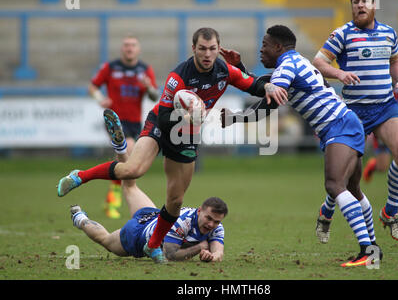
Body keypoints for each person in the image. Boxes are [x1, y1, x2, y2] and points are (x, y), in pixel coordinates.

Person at [57, 27, 288, 263]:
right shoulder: (178, 76)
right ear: (193, 49)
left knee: (175, 200)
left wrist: (267, 86)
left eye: (212, 49)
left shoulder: (225, 71)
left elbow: (254, 86)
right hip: (162, 124)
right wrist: (188, 117)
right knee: (133, 170)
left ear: (219, 49)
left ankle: (153, 245)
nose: (207, 54)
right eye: (202, 49)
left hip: (188, 136)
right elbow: (166, 116)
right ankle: (80, 176)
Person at [220, 24, 381, 267]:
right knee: (353, 189)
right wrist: (239, 69)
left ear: (278, 47)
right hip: (344, 123)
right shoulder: (294, 62)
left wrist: (235, 118)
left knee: (334, 184)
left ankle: (367, 252)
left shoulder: (287, 65)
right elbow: (264, 85)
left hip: (339, 126)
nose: (260, 51)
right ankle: (373, 247)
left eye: (264, 46)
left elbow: (269, 103)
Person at [312, 0, 398, 242]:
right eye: (355, 2)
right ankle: (326, 212)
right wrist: (339, 73)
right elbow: (318, 62)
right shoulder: (342, 33)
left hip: (385, 106)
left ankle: (390, 213)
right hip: (352, 112)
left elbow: (395, 60)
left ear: (374, 4)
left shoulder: (389, 33)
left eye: (364, 1)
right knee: (345, 175)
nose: (359, 6)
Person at [70, 109, 226, 262]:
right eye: (208, 218)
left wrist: (212, 256)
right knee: (106, 240)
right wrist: (198, 248)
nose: (211, 224)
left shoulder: (215, 227)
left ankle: (120, 148)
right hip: (137, 235)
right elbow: (170, 255)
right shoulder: (183, 223)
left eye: (216, 221)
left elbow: (218, 251)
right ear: (199, 211)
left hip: (153, 216)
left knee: (130, 186)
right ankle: (79, 218)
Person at [88, 34, 159, 219]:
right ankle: (119, 200)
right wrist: (101, 99)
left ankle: (112, 200)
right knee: (128, 155)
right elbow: (93, 86)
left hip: (135, 123)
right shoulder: (110, 68)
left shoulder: (145, 70)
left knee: (124, 162)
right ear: (122, 49)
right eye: (126, 45)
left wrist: (149, 86)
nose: (129, 48)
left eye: (133, 45)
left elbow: (154, 96)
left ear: (138, 49)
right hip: (115, 121)